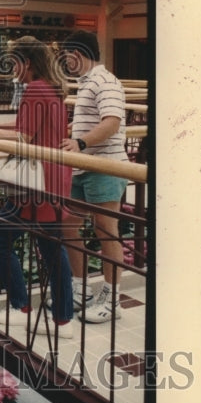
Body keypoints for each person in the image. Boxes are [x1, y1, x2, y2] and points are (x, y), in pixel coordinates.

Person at [0, 35, 74, 338]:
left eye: (14, 62)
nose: (11, 67)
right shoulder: (51, 89)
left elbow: (25, 138)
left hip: (34, 185)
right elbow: (29, 128)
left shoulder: (35, 89)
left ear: (26, 62)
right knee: (52, 249)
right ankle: (64, 320)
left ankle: (20, 308)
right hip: (53, 180)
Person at [59, 30, 130, 324]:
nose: (65, 62)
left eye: (66, 57)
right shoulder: (87, 83)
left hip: (105, 167)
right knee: (68, 225)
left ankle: (112, 299)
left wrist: (81, 143)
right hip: (82, 167)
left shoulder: (105, 81)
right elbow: (90, 120)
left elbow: (112, 123)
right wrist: (73, 137)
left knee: (106, 231)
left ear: (76, 54)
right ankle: (80, 288)